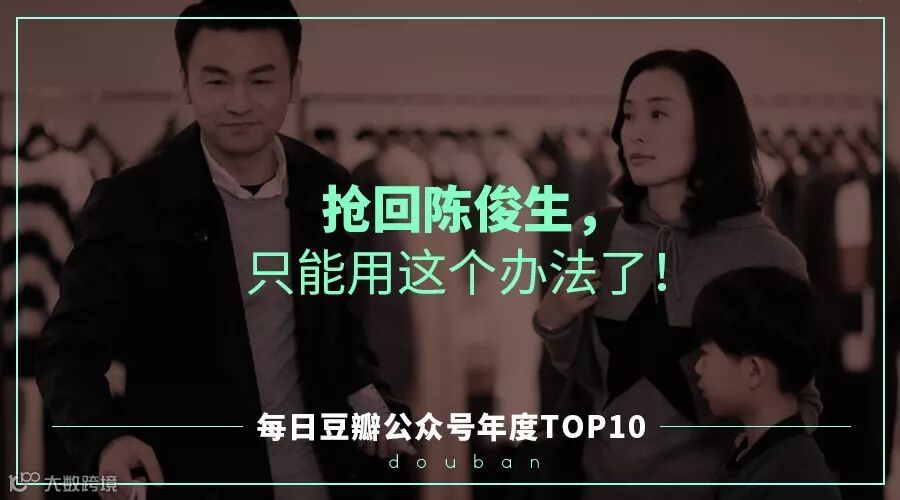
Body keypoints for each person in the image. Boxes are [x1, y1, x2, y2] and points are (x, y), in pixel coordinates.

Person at [34, 2, 414, 500]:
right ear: (186, 83)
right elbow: (66, 352)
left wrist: (366, 393)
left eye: (261, 80)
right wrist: (105, 440)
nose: (239, 103)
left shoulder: (327, 184)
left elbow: (337, 325)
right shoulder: (133, 203)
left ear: (294, 80)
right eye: (217, 81)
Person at [533, 49, 822, 499]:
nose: (635, 133)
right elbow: (596, 381)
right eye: (629, 115)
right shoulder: (597, 236)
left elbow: (798, 405)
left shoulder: (765, 253)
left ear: (710, 126)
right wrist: (554, 321)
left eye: (658, 114)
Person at [692, 267, 840, 499]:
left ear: (754, 370)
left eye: (706, 354)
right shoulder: (755, 457)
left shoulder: (795, 483)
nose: (698, 368)